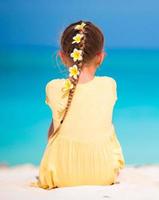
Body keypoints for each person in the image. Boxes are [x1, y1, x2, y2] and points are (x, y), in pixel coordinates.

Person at [30, 20, 125, 189]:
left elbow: (52, 132)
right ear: (101, 57)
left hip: (60, 175)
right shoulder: (109, 85)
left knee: (56, 123)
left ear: (63, 57)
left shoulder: (54, 87)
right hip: (103, 174)